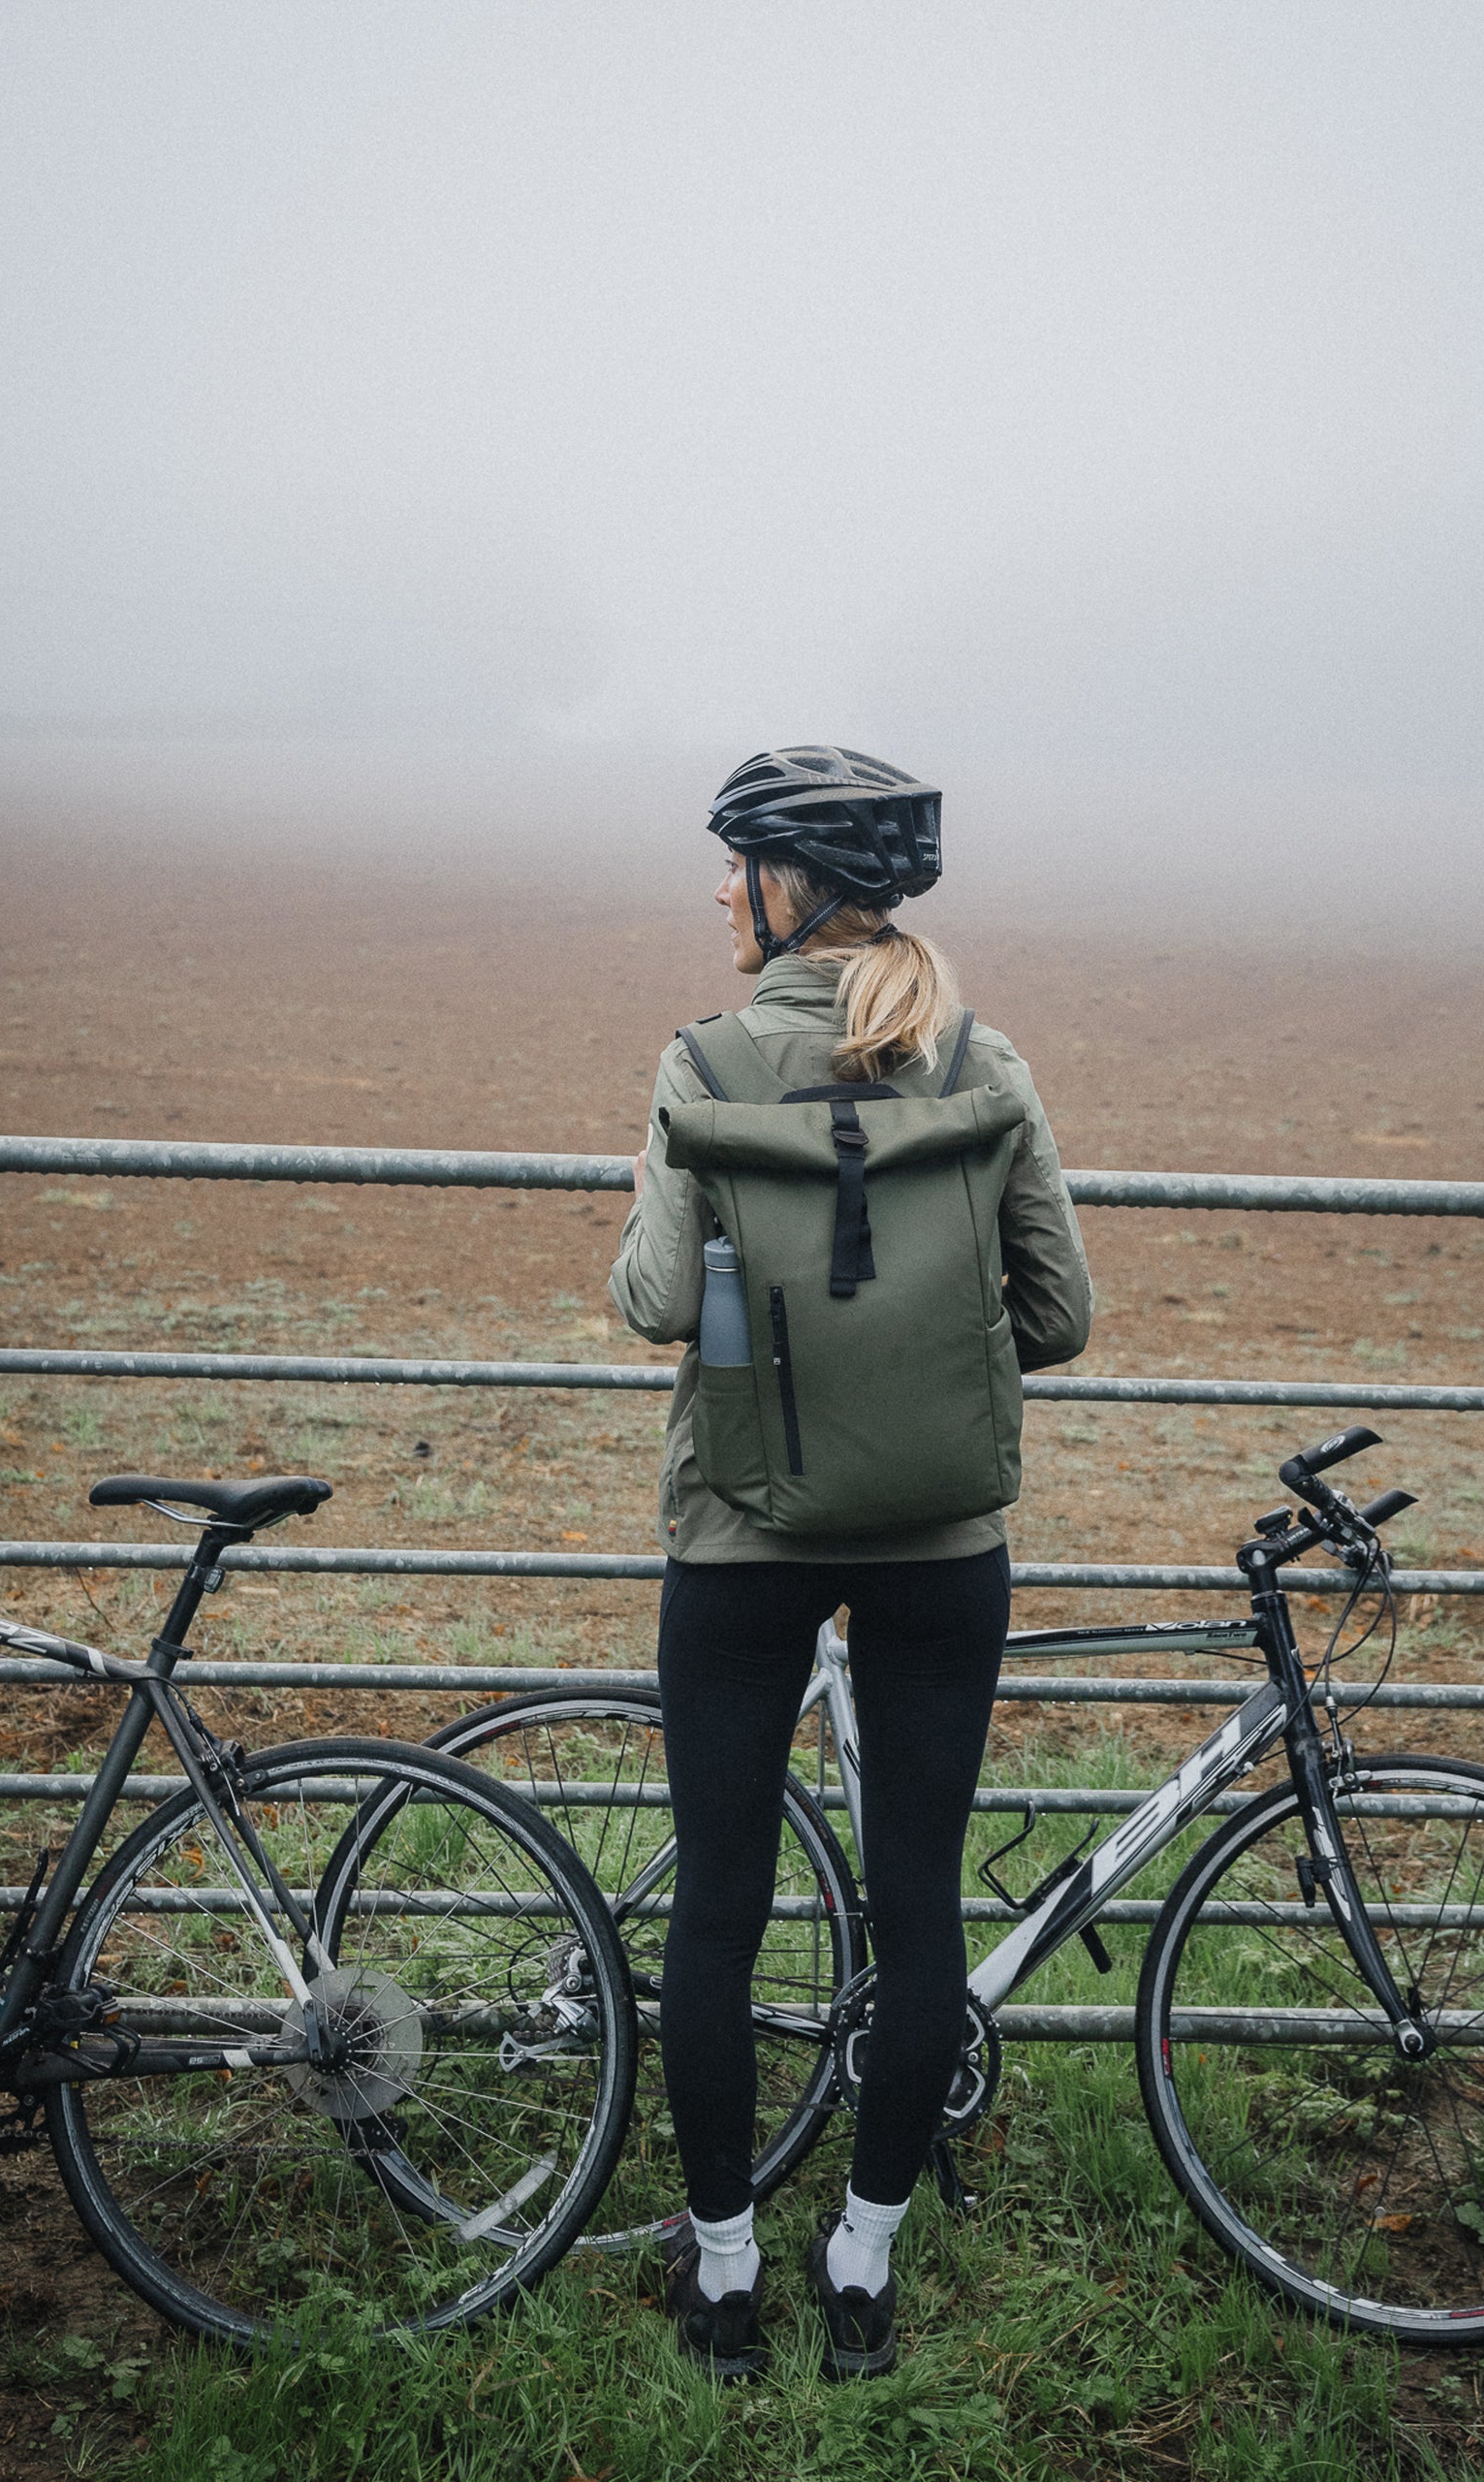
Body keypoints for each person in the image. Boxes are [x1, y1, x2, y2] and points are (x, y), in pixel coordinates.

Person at [609, 747, 1090, 2382]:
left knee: (721, 1912)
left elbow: (661, 1304)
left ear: (787, 888)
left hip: (740, 1535)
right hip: (942, 1544)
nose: (716, 894)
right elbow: (1063, 1318)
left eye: (732, 864)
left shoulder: (704, 1062)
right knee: (918, 1908)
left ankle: (728, 2279)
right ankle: (865, 2266)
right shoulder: (989, 1056)